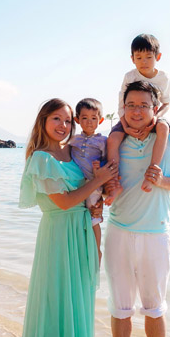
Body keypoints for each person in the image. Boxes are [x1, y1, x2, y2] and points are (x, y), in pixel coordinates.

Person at [19, 98, 117, 337]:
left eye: (66, 120)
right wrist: (98, 181)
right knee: (56, 292)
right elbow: (62, 202)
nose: (63, 126)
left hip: (82, 229)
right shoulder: (41, 158)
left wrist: (97, 200)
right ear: (43, 122)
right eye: (56, 119)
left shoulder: (72, 153)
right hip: (59, 233)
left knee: (78, 293)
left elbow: (85, 191)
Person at [104, 80, 170, 337]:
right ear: (123, 109)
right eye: (130, 105)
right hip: (118, 232)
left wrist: (163, 181)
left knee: (155, 308)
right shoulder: (116, 142)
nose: (136, 111)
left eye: (143, 105)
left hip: (156, 235)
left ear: (155, 108)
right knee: (120, 307)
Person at [105, 34, 170, 202]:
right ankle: (114, 181)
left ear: (158, 57)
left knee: (163, 128)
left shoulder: (163, 78)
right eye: (139, 57)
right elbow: (122, 103)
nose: (144, 62)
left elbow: (167, 103)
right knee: (113, 138)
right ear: (132, 59)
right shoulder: (130, 77)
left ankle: (153, 171)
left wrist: (156, 118)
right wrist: (125, 125)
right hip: (128, 118)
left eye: (149, 57)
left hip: (155, 115)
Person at [68, 98, 108, 260]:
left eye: (94, 118)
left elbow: (108, 161)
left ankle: (97, 250)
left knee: (93, 218)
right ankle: (78, 250)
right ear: (77, 120)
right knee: (77, 216)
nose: (89, 122)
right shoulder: (73, 140)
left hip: (94, 185)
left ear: (101, 120)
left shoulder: (103, 141)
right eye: (84, 118)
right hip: (77, 185)